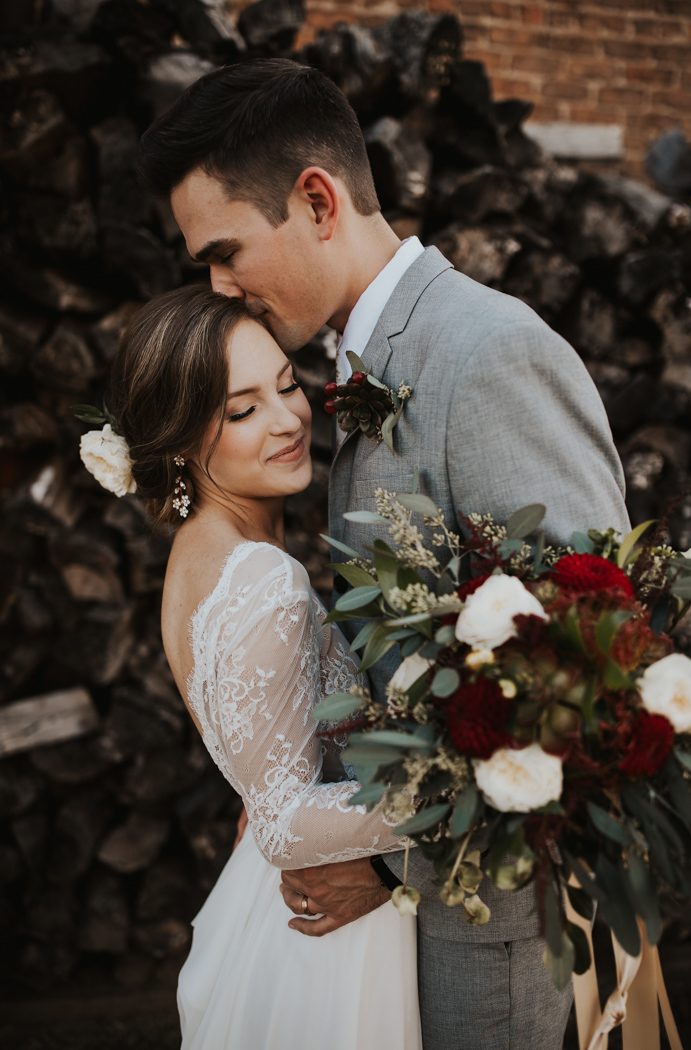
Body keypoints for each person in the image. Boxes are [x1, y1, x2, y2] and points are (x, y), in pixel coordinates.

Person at [138, 59, 631, 1050]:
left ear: (316, 199)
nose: (218, 285)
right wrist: (307, 788)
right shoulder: (360, 366)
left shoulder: (485, 355)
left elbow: (587, 685)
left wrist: (381, 855)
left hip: (490, 954)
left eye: (224, 251)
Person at [106, 286, 422, 1049]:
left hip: (271, 910)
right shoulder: (262, 580)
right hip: (327, 941)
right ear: (182, 441)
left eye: (285, 384)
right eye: (242, 410)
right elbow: (282, 820)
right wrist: (459, 791)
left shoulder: (198, 554)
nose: (287, 420)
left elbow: (266, 771)